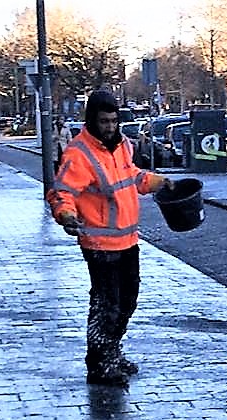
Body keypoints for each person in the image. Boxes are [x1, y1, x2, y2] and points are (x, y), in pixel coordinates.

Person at [47, 90, 171, 386]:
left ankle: (111, 351)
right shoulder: (79, 153)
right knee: (107, 304)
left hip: (127, 240)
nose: (110, 127)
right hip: (99, 243)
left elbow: (134, 178)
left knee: (127, 301)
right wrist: (66, 215)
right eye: (104, 121)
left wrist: (161, 182)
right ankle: (100, 364)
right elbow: (62, 192)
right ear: (92, 120)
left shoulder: (122, 147)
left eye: (114, 121)